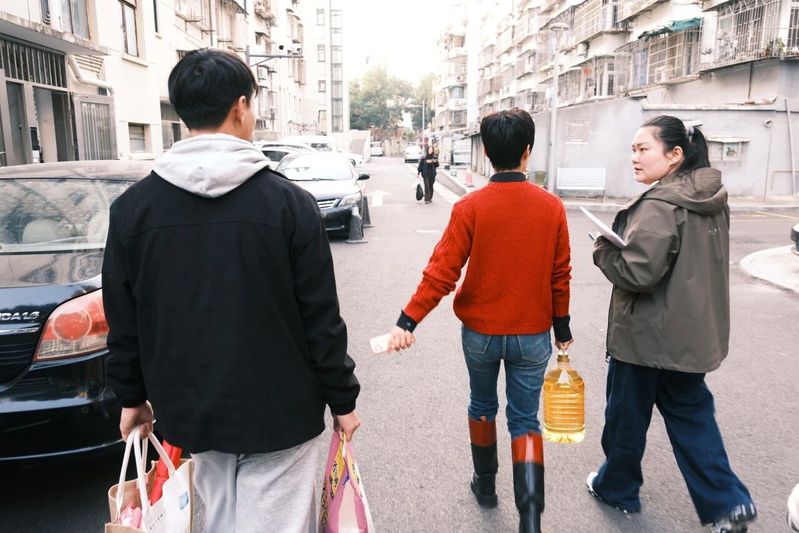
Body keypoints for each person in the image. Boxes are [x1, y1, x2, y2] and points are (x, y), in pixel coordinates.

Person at [102, 49, 361, 533]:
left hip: (191, 410)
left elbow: (125, 318)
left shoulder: (133, 210)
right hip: (283, 411)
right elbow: (320, 319)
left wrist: (131, 396)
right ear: (240, 107)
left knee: (218, 522)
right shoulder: (290, 205)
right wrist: (342, 399)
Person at [387, 108, 573, 533]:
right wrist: (562, 329)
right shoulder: (551, 207)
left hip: (480, 335)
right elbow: (559, 275)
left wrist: (407, 321)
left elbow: (442, 272)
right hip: (533, 335)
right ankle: (530, 517)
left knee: (482, 406)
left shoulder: (470, 207)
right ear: (527, 152)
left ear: (486, 153)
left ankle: (485, 484)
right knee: (525, 421)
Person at [586, 115, 756, 533]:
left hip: (645, 338)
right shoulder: (712, 198)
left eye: (643, 149)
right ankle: (728, 504)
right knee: (693, 419)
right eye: (632, 149)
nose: (635, 157)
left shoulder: (660, 205)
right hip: (692, 337)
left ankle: (617, 488)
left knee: (626, 419)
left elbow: (638, 272)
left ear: (675, 154)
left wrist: (604, 250)